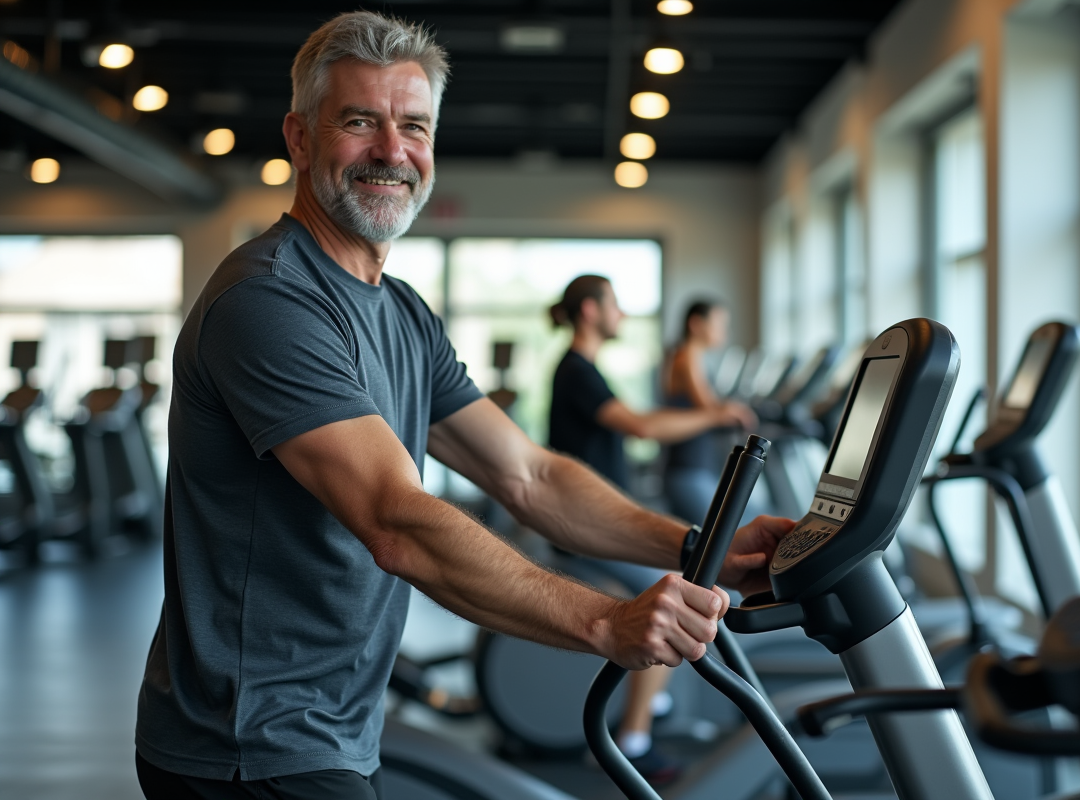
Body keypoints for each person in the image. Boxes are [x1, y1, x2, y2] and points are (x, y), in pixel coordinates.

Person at [133, 12, 794, 800]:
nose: (391, 151)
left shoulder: (401, 311)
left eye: (414, 126)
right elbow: (396, 521)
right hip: (253, 743)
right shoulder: (270, 302)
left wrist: (698, 549)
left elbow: (530, 477)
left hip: (330, 725)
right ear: (301, 140)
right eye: (358, 122)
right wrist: (605, 623)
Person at [547, 276, 757, 784]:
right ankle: (631, 743)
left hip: (596, 521)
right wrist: (714, 416)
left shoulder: (584, 369)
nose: (622, 315)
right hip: (581, 529)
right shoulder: (577, 371)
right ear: (592, 311)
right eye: (616, 305)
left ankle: (650, 700)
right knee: (673, 600)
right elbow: (640, 426)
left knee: (680, 574)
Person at [663, 300, 746, 526]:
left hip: (693, 465)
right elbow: (708, 407)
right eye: (719, 325)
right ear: (696, 324)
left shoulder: (689, 355)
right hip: (687, 467)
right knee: (713, 539)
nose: (724, 332)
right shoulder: (687, 354)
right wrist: (737, 410)